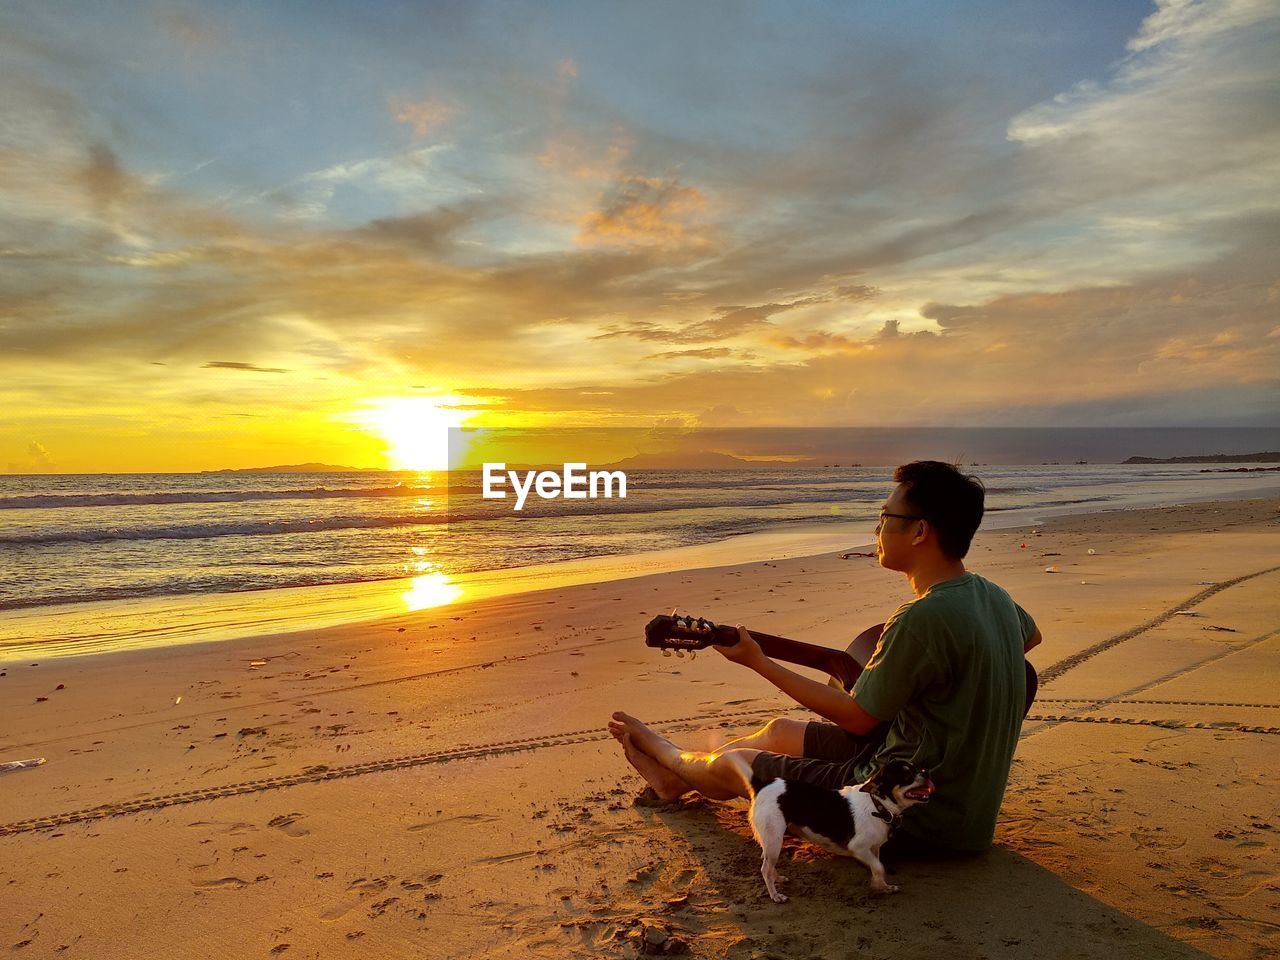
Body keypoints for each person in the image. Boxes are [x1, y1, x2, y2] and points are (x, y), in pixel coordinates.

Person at [608, 460, 1042, 855]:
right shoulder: (995, 597)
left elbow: (857, 719)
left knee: (732, 762)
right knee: (778, 731)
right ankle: (676, 782)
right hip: (957, 806)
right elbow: (1030, 638)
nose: (877, 531)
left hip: (906, 821)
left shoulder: (922, 617)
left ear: (920, 531)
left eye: (885, 518)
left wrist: (757, 661)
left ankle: (666, 754)